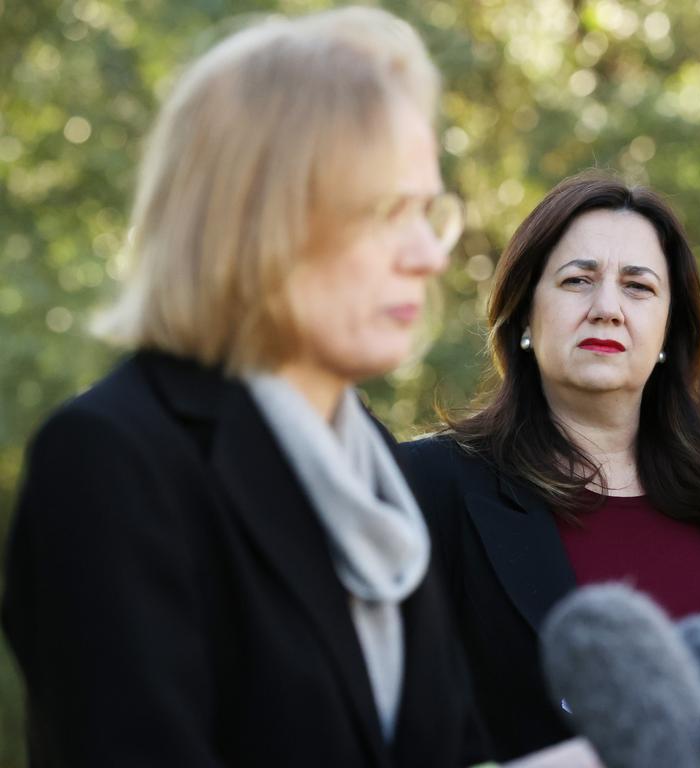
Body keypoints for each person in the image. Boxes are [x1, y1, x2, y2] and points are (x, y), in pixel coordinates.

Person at [1, 8, 490, 766]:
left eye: (429, 212)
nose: (428, 254)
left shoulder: (376, 473)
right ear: (259, 220)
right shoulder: (110, 463)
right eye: (387, 211)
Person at [398, 173, 700, 760]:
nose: (606, 309)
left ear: (668, 329)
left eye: (639, 287)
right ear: (525, 314)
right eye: (578, 281)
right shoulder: (432, 483)